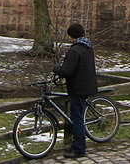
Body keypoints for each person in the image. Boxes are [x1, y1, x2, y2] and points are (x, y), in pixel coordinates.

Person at [53, 23, 98, 159]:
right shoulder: (87, 47)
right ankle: (76, 144)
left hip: (78, 88)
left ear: (71, 35)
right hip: (86, 86)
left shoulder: (75, 50)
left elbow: (67, 71)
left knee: (77, 119)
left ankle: (79, 149)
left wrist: (56, 68)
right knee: (77, 117)